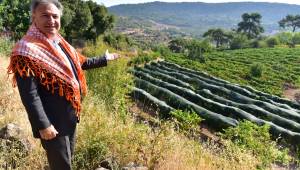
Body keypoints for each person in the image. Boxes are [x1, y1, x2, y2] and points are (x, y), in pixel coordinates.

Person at [7, 0, 119, 169]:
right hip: (52, 122)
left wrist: (104, 59)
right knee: (61, 165)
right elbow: (30, 95)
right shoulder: (26, 50)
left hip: (70, 117)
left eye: (55, 16)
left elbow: (78, 63)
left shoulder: (59, 42)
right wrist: (43, 125)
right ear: (34, 17)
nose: (51, 20)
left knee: (66, 159)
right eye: (45, 15)